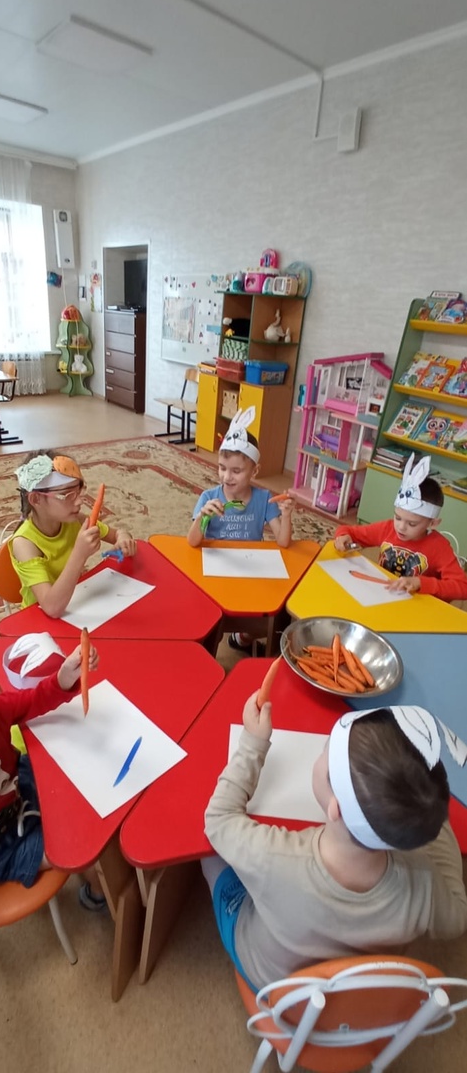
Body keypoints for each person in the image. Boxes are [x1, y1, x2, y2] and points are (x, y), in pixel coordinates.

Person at [203, 694, 467, 992]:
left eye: (325, 752)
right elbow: (457, 917)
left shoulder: (274, 856)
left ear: (335, 808)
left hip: (272, 984)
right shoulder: (424, 887)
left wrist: (253, 743)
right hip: (357, 990)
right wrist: (432, 823)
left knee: (208, 856)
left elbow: (218, 819)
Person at [0, 642, 105, 908]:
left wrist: (64, 677)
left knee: (76, 784)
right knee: (81, 848)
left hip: (15, 793)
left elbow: (33, 699)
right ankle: (96, 895)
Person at [188, 407, 294, 652]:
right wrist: (202, 517)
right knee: (209, 619)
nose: (227, 477)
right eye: (222, 468)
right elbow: (192, 542)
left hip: (249, 571)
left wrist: (287, 515)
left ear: (254, 471)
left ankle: (242, 638)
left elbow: (283, 542)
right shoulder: (208, 497)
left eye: (236, 471)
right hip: (216, 573)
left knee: (275, 615)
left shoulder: (264, 498)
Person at [9, 450, 135, 615]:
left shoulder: (75, 521)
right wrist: (80, 554)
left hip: (74, 602)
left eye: (79, 490)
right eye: (67, 495)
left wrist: (124, 539)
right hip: (38, 618)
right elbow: (51, 608)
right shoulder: (24, 544)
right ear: (36, 499)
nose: (79, 501)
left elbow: (118, 533)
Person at [334, 454, 467, 602]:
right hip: (381, 595)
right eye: (397, 517)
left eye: (412, 524)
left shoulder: (439, 547)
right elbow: (349, 531)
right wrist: (343, 536)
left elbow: (463, 587)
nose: (401, 527)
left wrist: (421, 583)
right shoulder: (388, 528)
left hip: (416, 605)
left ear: (433, 523)